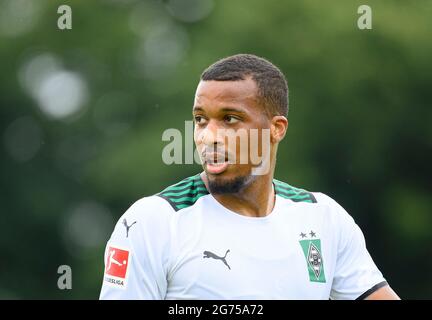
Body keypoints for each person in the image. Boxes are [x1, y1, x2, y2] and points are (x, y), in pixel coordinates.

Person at [99, 54, 399, 300]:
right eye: (201, 120)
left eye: (230, 119)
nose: (208, 137)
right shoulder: (152, 222)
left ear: (277, 128)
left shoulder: (323, 217)